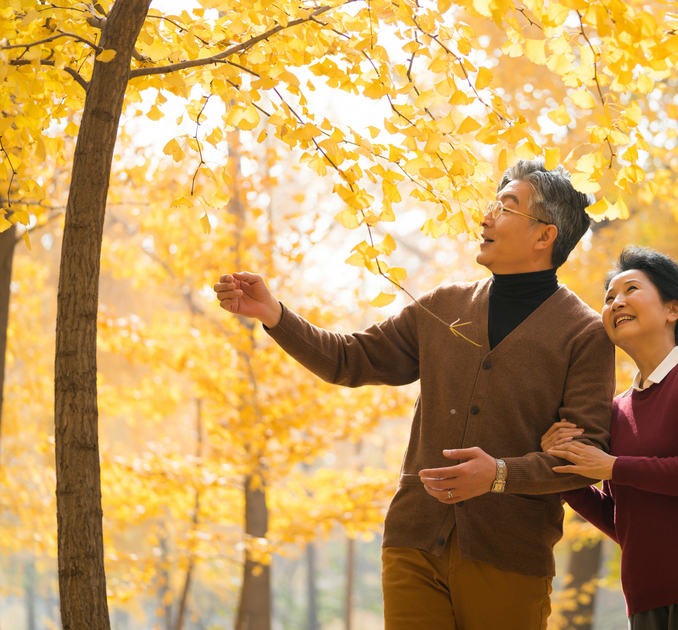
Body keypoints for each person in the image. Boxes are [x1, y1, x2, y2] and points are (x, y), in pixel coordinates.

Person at [213, 158, 615, 630]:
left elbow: (583, 457)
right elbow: (350, 359)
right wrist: (276, 314)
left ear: (544, 236)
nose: (486, 217)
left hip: (510, 553)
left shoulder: (585, 333)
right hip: (413, 540)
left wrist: (500, 474)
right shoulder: (443, 306)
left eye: (506, 207)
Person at [542, 246, 678, 630]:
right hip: (644, 597)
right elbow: (623, 519)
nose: (616, 302)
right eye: (609, 297)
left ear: (672, 309)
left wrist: (612, 466)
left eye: (630, 290)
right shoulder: (615, 411)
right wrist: (562, 465)